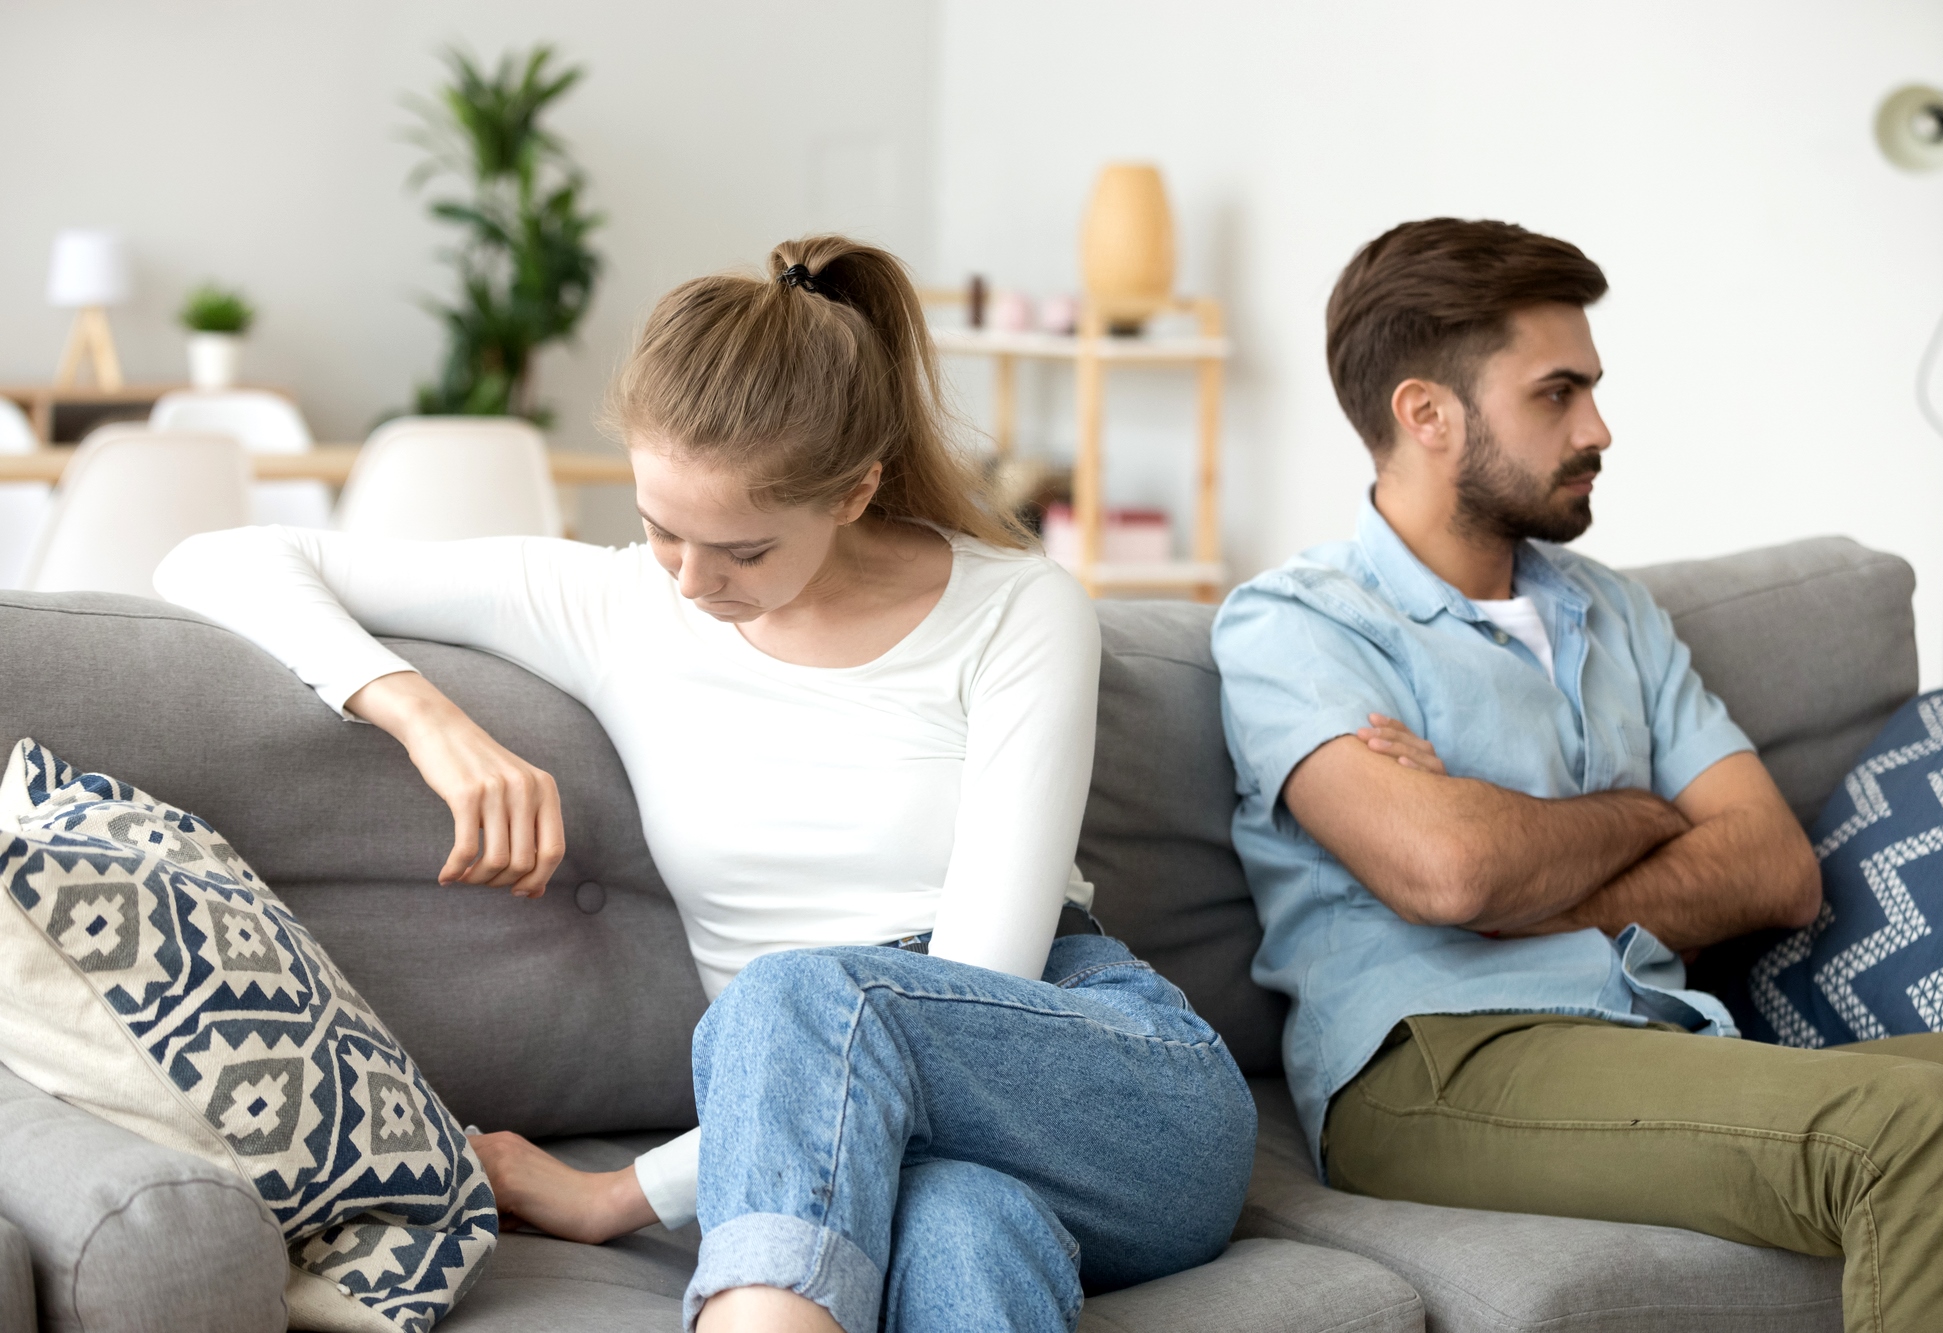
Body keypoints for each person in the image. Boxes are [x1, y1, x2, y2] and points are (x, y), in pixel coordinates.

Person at [157, 236, 1256, 1333]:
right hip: (856, 1154)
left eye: (739, 549)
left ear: (855, 489)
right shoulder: (619, 603)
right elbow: (216, 558)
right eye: (659, 527)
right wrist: (426, 718)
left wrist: (618, 1195)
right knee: (963, 1230)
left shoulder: (1017, 610)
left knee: (799, 992)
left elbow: (982, 975)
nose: (689, 578)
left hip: (1101, 1089)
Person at [1209, 218, 1943, 1333]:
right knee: (1911, 1127)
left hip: (1650, 1034)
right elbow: (1449, 874)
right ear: (1425, 414)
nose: (1598, 426)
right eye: (1555, 393)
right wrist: (1650, 813)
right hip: (1436, 1059)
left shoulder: (1610, 611)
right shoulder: (1294, 625)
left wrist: (1530, 875)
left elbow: (1775, 868)